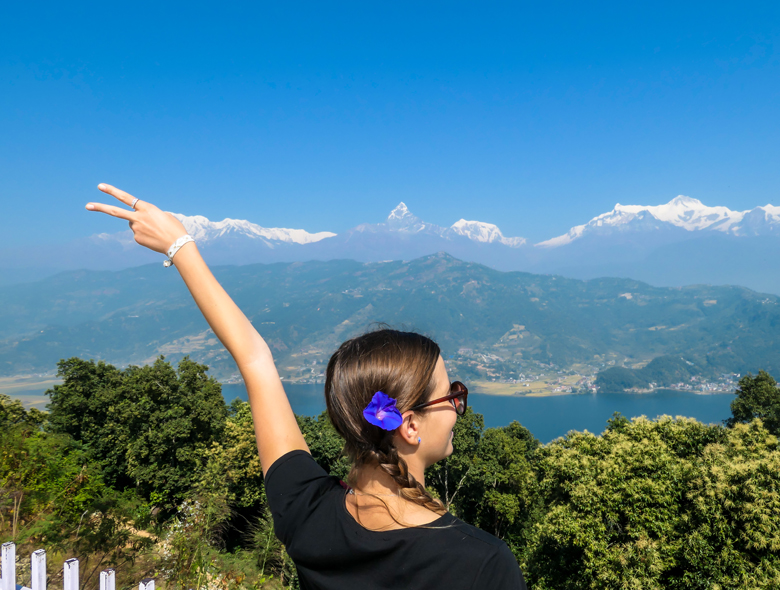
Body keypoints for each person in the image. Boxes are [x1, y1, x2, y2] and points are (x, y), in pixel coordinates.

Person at [86, 184, 527, 590]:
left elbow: (254, 360)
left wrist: (180, 246)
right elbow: (256, 358)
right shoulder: (482, 565)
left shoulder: (308, 515)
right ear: (408, 425)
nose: (457, 407)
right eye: (453, 395)